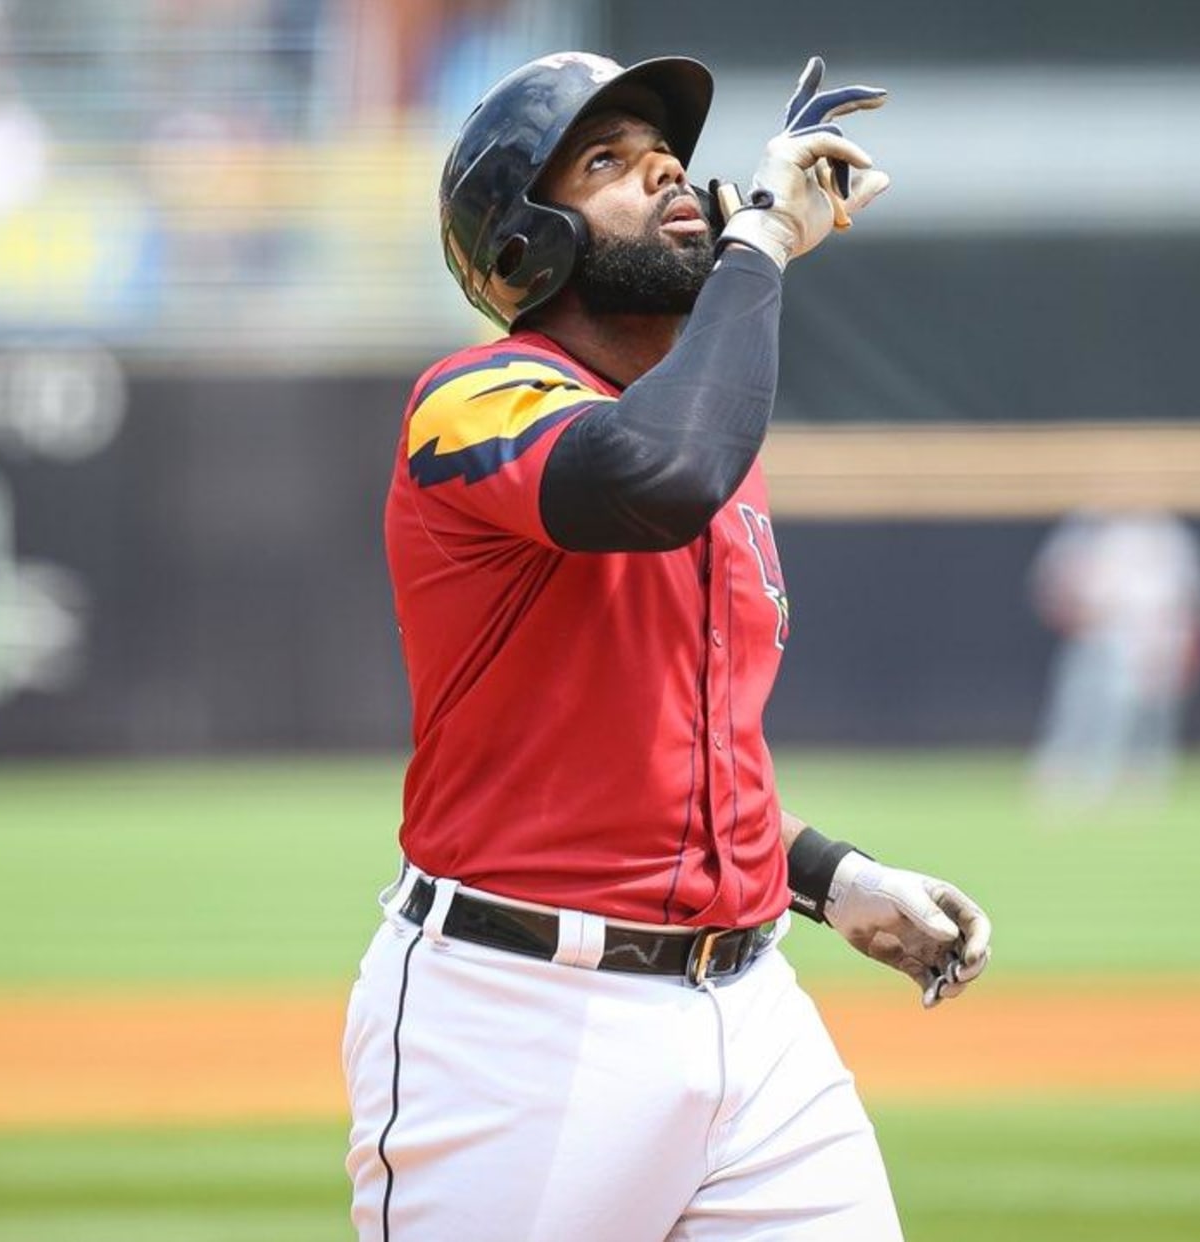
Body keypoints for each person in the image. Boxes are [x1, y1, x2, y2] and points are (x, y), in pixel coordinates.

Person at [344, 51, 994, 1240]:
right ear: (525, 245)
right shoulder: (479, 396)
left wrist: (827, 877)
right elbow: (655, 476)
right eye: (606, 161)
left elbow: (675, 750)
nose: (665, 175)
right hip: (520, 1025)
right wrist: (761, 247)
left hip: (753, 1014)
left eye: (667, 156)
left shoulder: (712, 439)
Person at [1027, 506, 1200, 812]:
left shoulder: (1168, 532)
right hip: (1100, 632)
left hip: (1159, 636)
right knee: (1083, 710)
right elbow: (1053, 579)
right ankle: (1066, 782)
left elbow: (1189, 593)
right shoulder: (1088, 525)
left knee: (1150, 718)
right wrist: (1074, 612)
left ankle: (1136, 789)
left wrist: (1183, 639)